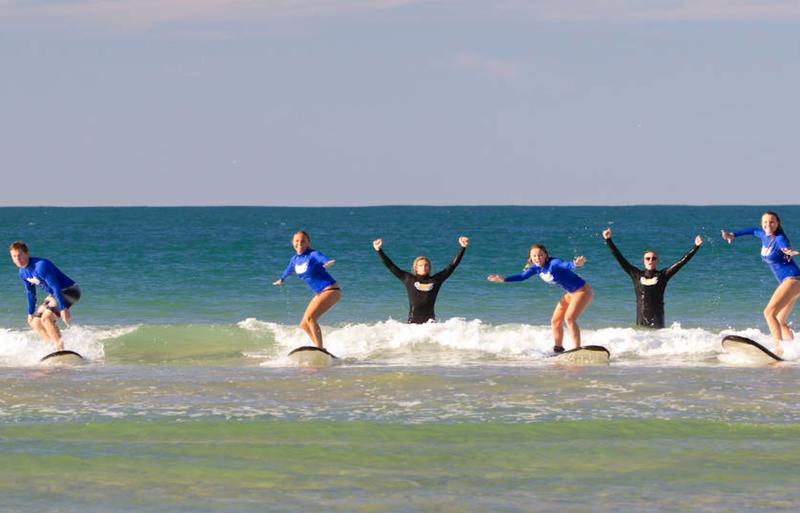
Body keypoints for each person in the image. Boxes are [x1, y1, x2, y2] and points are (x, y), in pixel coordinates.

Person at [487, 244, 592, 352]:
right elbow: (522, 276)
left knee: (569, 319)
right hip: (570, 294)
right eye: (534, 256)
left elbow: (566, 265)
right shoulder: (536, 268)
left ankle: (577, 349)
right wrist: (504, 279)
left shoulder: (554, 263)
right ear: (531, 257)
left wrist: (575, 264)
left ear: (546, 255)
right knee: (555, 321)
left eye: (540, 255)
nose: (537, 258)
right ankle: (558, 348)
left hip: (582, 291)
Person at [721, 211, 800, 355]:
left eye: (772, 222)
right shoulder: (763, 234)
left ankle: (779, 349)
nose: (768, 225)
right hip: (793, 282)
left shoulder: (779, 238)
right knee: (780, 320)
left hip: (793, 280)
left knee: (769, 313)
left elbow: (783, 245)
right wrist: (733, 235)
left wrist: (787, 250)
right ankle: (794, 351)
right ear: (762, 223)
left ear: (778, 223)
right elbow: (753, 231)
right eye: (765, 222)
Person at [602, 228, 703, 329]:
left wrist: (696, 246)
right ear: (644, 261)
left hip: (658, 324)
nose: (650, 260)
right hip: (641, 323)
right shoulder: (636, 275)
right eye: (647, 258)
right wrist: (608, 240)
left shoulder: (663, 275)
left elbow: (681, 262)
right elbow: (620, 259)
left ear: (657, 261)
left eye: (653, 258)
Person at [372, 236, 469, 323]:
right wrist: (378, 250)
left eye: (426, 265)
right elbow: (391, 266)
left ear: (429, 267)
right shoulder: (408, 279)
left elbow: (452, 266)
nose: (424, 267)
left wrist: (462, 248)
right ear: (416, 268)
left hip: (430, 323)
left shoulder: (435, 280)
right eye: (421, 265)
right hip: (412, 323)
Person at [273, 231, 341, 349]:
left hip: (331, 290)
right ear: (292, 243)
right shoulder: (294, 260)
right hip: (321, 293)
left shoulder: (312, 254)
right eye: (297, 241)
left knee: (311, 318)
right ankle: (318, 348)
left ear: (308, 243)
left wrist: (326, 262)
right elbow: (288, 270)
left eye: (303, 241)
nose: (300, 243)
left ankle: (320, 349)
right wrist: (281, 279)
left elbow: (321, 258)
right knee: (304, 324)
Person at [9, 241, 81, 352]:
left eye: (20, 255)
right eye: (14, 256)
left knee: (46, 318)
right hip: (54, 294)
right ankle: (51, 347)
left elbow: (55, 286)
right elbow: (30, 292)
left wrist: (63, 308)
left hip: (70, 290)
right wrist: (30, 313)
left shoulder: (41, 265)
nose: (17, 258)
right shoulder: (22, 272)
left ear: (27, 254)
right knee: (35, 322)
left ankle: (60, 349)